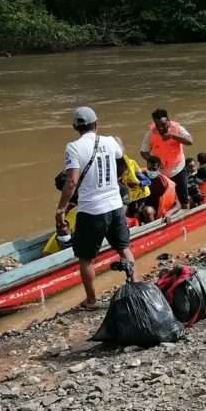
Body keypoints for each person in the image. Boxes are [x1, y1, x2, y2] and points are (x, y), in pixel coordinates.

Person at [56, 106, 138, 309]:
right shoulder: (110, 141)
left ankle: (92, 300)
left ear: (76, 127)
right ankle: (136, 287)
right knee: (124, 248)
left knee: (85, 258)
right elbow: (121, 153)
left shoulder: (73, 148)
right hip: (115, 205)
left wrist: (61, 209)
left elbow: (72, 181)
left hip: (91, 210)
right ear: (96, 123)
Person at [140, 108, 193, 208]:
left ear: (168, 121)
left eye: (163, 124)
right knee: (161, 200)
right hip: (161, 173)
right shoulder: (151, 133)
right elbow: (143, 152)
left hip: (178, 169)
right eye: (157, 125)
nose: (160, 128)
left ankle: (186, 215)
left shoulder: (177, 129)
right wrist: (153, 160)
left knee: (183, 200)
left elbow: (190, 141)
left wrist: (173, 136)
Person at [143, 156, 181, 222]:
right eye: (149, 168)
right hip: (142, 207)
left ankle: (153, 229)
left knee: (148, 211)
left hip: (158, 210)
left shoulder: (165, 183)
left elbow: (178, 205)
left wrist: (169, 214)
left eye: (154, 169)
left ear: (159, 167)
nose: (151, 171)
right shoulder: (142, 177)